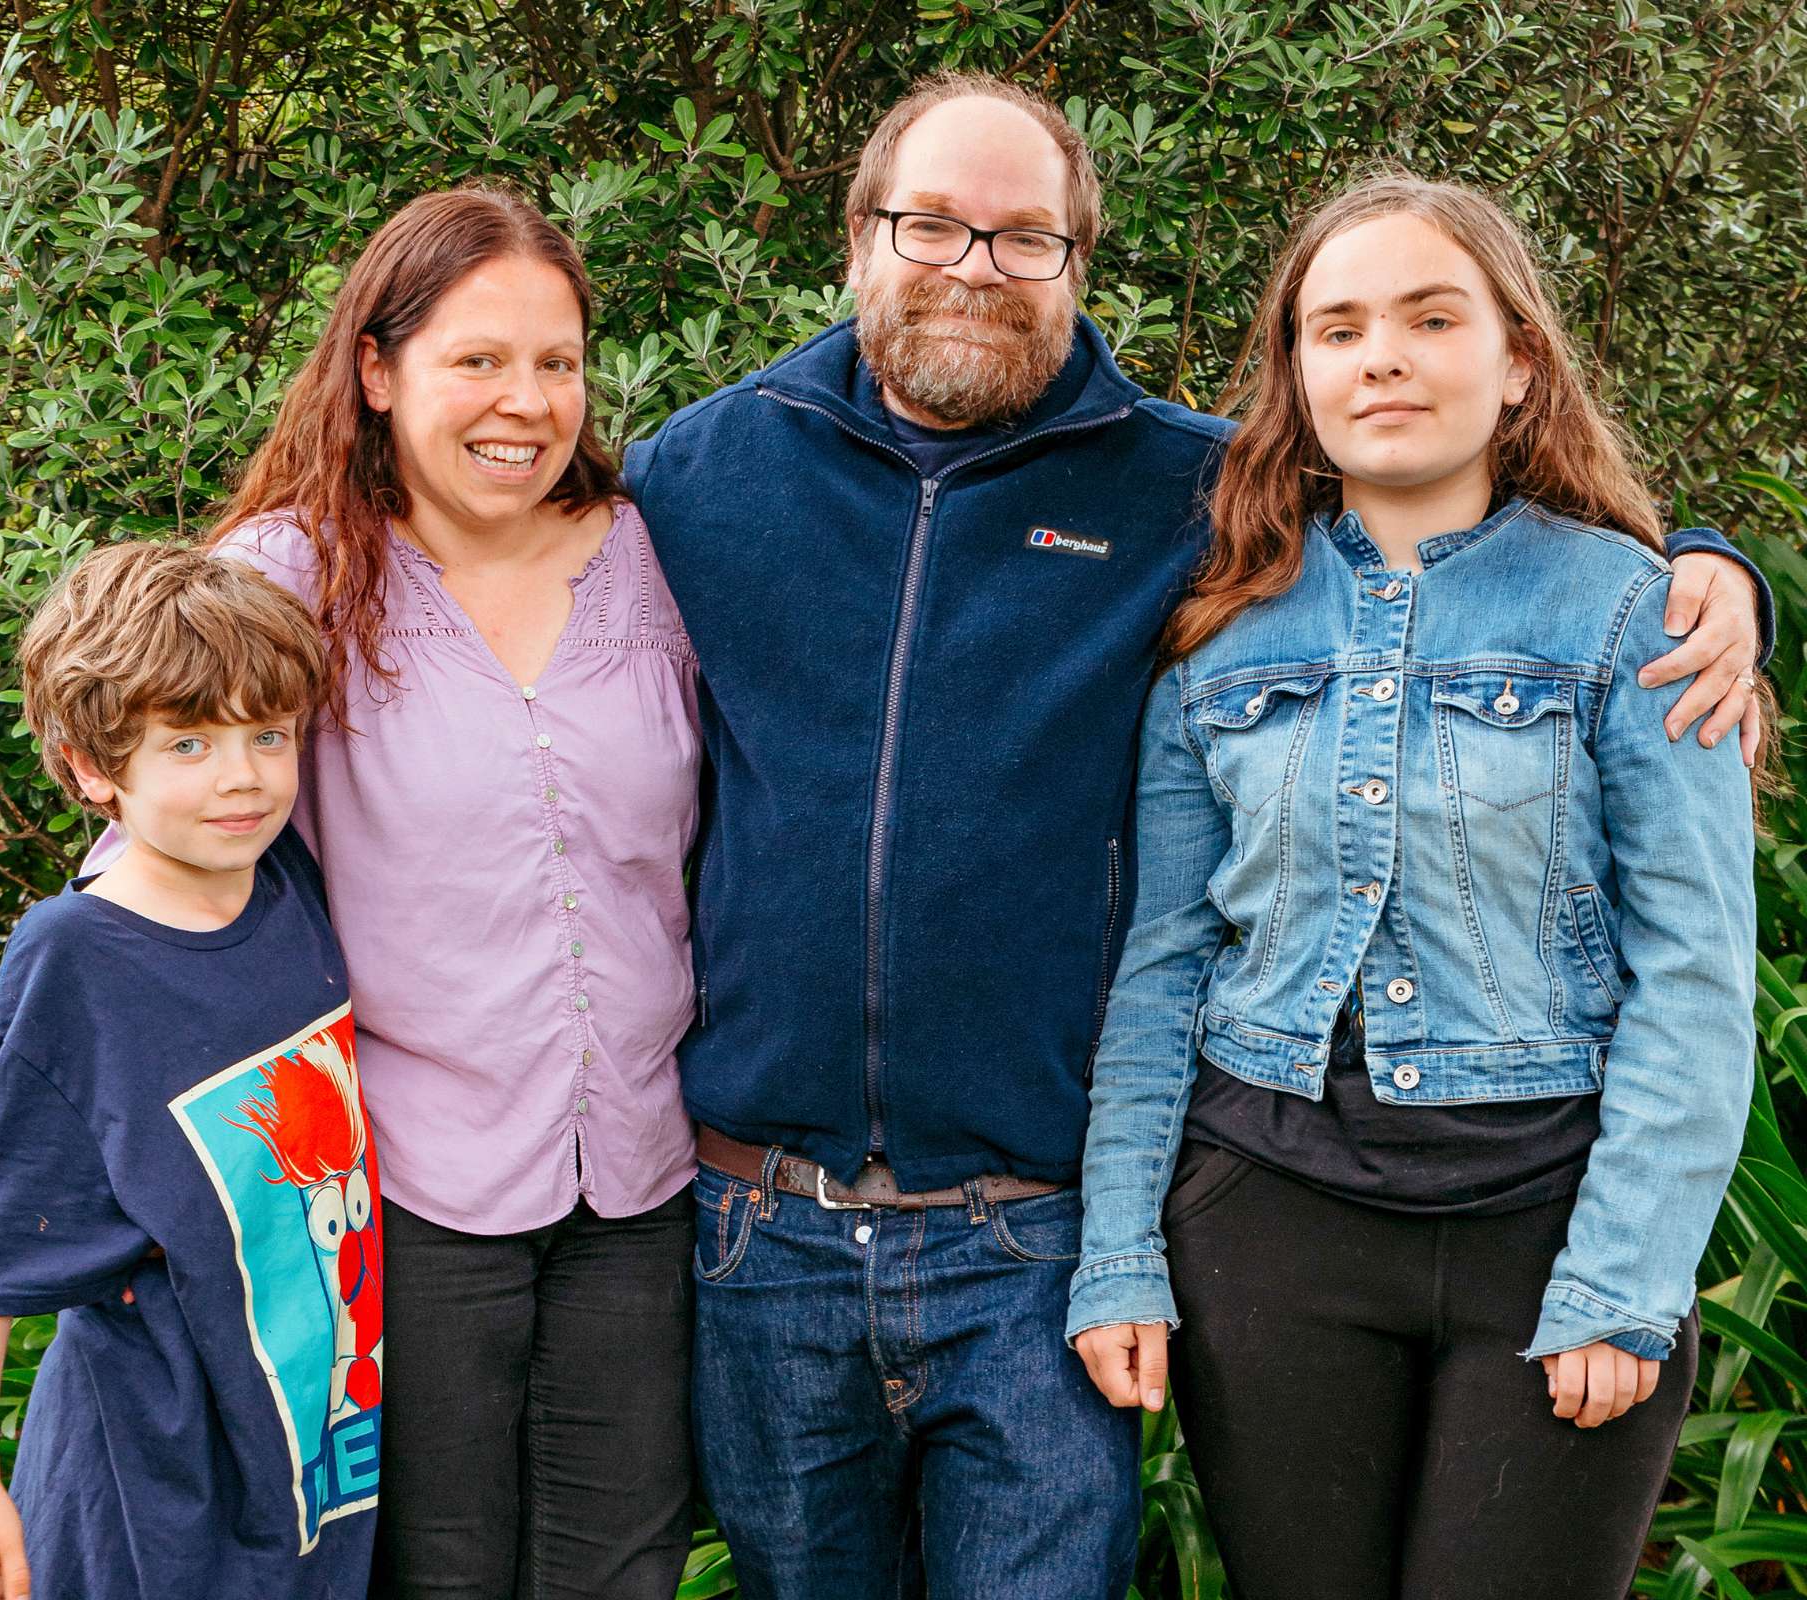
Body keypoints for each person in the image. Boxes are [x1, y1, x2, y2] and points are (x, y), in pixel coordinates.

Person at [625, 72, 1771, 1596]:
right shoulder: (708, 474)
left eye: (1024, 236)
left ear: (1078, 261)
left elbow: (1451, 514)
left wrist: (1708, 565)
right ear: (858, 238)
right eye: (935, 227)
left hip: (1070, 1231)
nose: (975, 266)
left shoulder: (1198, 493)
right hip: (811, 1223)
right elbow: (475, 544)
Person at [1068, 172, 1763, 1599]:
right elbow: (1160, 971)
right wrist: (1122, 1255)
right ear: (1299, 380)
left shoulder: (1638, 614)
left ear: (1517, 364)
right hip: (1270, 1233)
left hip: (1547, 1232)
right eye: (1338, 329)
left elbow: (1697, 978)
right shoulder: (1217, 641)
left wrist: (1623, 1281)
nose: (1381, 354)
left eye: (1429, 318)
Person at [93, 186, 702, 1598]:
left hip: (639, 1179)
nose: (526, 402)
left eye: (557, 361)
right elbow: (167, 818)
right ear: (378, 371)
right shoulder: (291, 574)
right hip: (395, 1192)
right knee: (431, 1572)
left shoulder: (648, 552)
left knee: (622, 1571)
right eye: (477, 360)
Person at [0, 543, 371, 1600]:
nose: (244, 777)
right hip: (154, 1482)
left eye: (269, 735)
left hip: (312, 1453)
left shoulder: (283, 882)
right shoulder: (74, 956)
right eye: (188, 745)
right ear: (88, 766)